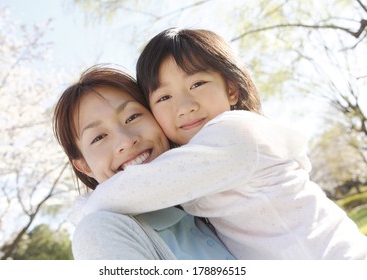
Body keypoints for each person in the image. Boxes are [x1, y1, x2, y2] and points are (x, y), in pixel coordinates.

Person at [81, 28, 367, 259]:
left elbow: (130, 190)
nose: (185, 106)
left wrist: (85, 207)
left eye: (197, 84)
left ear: (231, 89)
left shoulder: (235, 132)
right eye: (163, 98)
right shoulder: (193, 163)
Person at [52, 65, 235, 260]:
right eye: (99, 137)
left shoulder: (214, 204)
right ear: (84, 166)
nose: (125, 141)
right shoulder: (100, 231)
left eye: (132, 117)